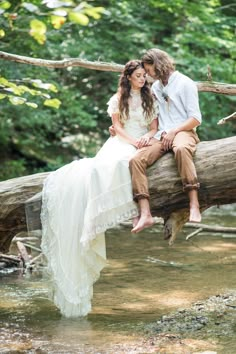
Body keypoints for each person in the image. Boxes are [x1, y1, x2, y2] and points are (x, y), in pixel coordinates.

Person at [40, 60, 158, 318]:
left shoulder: (151, 97)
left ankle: (137, 209)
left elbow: (154, 126)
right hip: (123, 140)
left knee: (128, 163)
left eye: (144, 76)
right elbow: (116, 127)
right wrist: (132, 141)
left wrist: (147, 138)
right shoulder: (118, 99)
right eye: (138, 76)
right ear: (128, 77)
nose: (143, 80)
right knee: (104, 166)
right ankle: (96, 214)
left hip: (145, 140)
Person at [129, 48, 202, 233]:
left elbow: (195, 118)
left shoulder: (185, 83)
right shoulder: (156, 87)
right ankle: (145, 213)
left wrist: (174, 131)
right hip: (162, 135)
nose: (148, 74)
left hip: (184, 131)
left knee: (181, 149)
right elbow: (155, 118)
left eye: (149, 69)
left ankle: (194, 203)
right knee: (136, 160)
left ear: (159, 64)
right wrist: (150, 135)